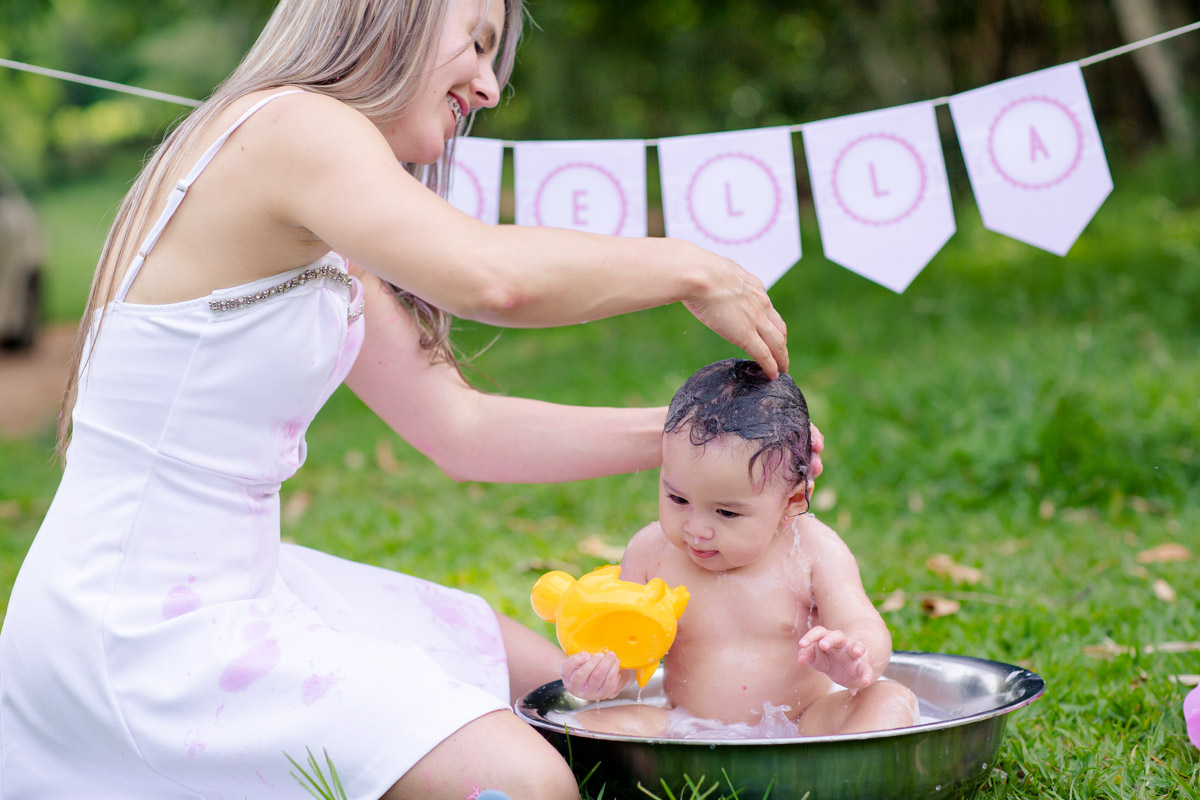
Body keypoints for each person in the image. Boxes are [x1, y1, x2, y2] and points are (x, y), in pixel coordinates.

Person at [0, 1, 824, 798]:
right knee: (528, 781)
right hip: (138, 628)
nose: (489, 86)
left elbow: (462, 427)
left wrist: (696, 442)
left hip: (243, 583)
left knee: (573, 699)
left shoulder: (316, 205)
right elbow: (490, 278)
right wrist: (693, 269)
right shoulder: (292, 127)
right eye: (477, 40)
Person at [559, 359, 916, 738]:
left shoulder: (812, 550)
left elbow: (862, 623)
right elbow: (628, 655)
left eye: (727, 512)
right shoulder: (651, 553)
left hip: (804, 724)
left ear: (793, 502)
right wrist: (604, 676)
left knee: (890, 699)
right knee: (581, 725)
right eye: (678, 499)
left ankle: (838, 768)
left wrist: (857, 656)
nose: (696, 529)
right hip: (686, 726)